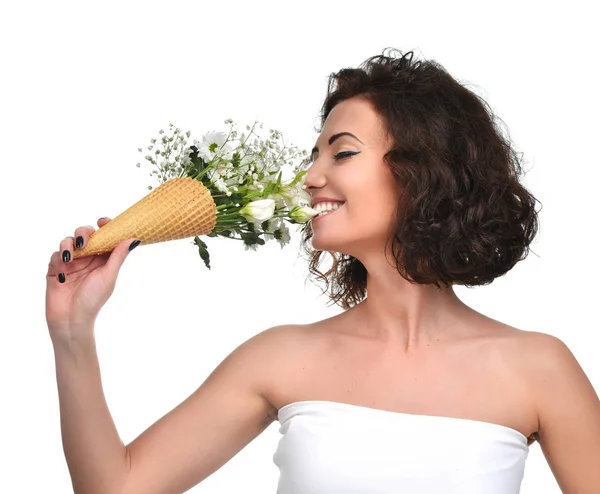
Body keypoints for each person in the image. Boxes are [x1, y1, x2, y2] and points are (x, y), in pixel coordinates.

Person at [46, 49, 600, 493]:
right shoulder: (280, 357)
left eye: (342, 153)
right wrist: (73, 333)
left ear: (422, 171)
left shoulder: (538, 368)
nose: (310, 178)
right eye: (314, 155)